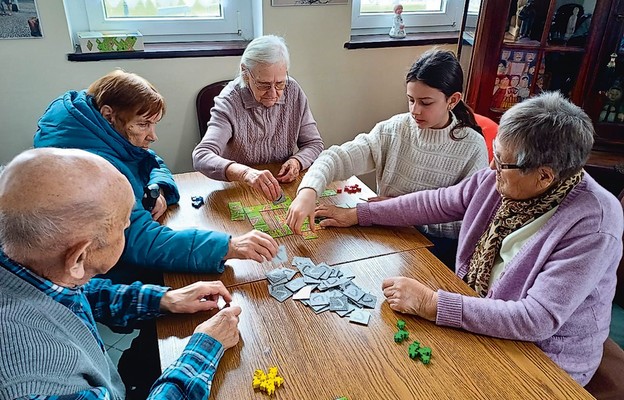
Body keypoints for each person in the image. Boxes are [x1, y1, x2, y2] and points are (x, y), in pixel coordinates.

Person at [312, 92, 624, 386]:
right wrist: (358, 215)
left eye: (502, 162)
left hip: (545, 358)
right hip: (479, 309)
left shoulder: (594, 222)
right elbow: (434, 203)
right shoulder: (502, 181)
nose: (492, 167)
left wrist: (431, 304)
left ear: (545, 176)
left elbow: (536, 319)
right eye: (495, 154)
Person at [0, 148, 242, 399]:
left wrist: (162, 299)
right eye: (124, 226)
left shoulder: (23, 256)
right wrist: (204, 350)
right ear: (79, 257)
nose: (129, 229)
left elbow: (72, 293)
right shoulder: (29, 383)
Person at [34, 70, 279, 284]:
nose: (153, 136)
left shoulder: (96, 128)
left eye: (154, 125)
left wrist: (158, 187)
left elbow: (150, 159)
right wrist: (230, 246)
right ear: (109, 115)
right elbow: (143, 242)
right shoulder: (93, 171)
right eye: (144, 125)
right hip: (105, 275)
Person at [286, 49, 488, 268]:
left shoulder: (472, 147)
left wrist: (398, 211)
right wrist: (308, 191)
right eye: (411, 100)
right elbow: (337, 157)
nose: (415, 110)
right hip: (386, 236)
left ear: (453, 100)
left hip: (435, 250)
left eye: (426, 102)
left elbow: (471, 222)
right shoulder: (393, 130)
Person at [192, 35, 324, 202]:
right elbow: (201, 156)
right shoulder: (229, 101)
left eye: (280, 84)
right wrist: (245, 173)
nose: (273, 94)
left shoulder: (293, 91)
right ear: (246, 74)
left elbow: (314, 144)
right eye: (263, 84)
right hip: (239, 190)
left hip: (282, 186)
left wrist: (297, 161)